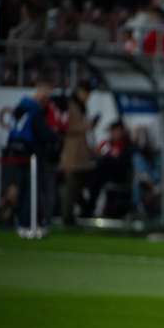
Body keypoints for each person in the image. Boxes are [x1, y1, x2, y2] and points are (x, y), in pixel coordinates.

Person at [5, 81, 57, 236]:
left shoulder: (20, 107)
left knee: (22, 187)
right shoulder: (35, 110)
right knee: (31, 188)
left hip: (18, 152)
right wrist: (53, 135)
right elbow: (41, 132)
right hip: (32, 154)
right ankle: (28, 223)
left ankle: (19, 220)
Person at [84, 120, 136, 217]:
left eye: (117, 130)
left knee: (97, 177)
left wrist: (105, 159)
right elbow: (97, 153)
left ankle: (89, 209)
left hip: (118, 175)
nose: (115, 133)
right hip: (103, 173)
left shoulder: (127, 145)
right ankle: (87, 208)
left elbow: (122, 163)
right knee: (84, 176)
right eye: (113, 130)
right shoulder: (107, 144)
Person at [59, 81, 94, 226]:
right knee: (71, 186)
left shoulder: (78, 106)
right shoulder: (71, 105)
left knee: (76, 185)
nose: (88, 97)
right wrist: (84, 126)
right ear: (80, 91)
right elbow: (66, 126)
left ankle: (74, 214)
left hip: (79, 153)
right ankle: (67, 216)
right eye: (87, 94)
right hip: (73, 153)